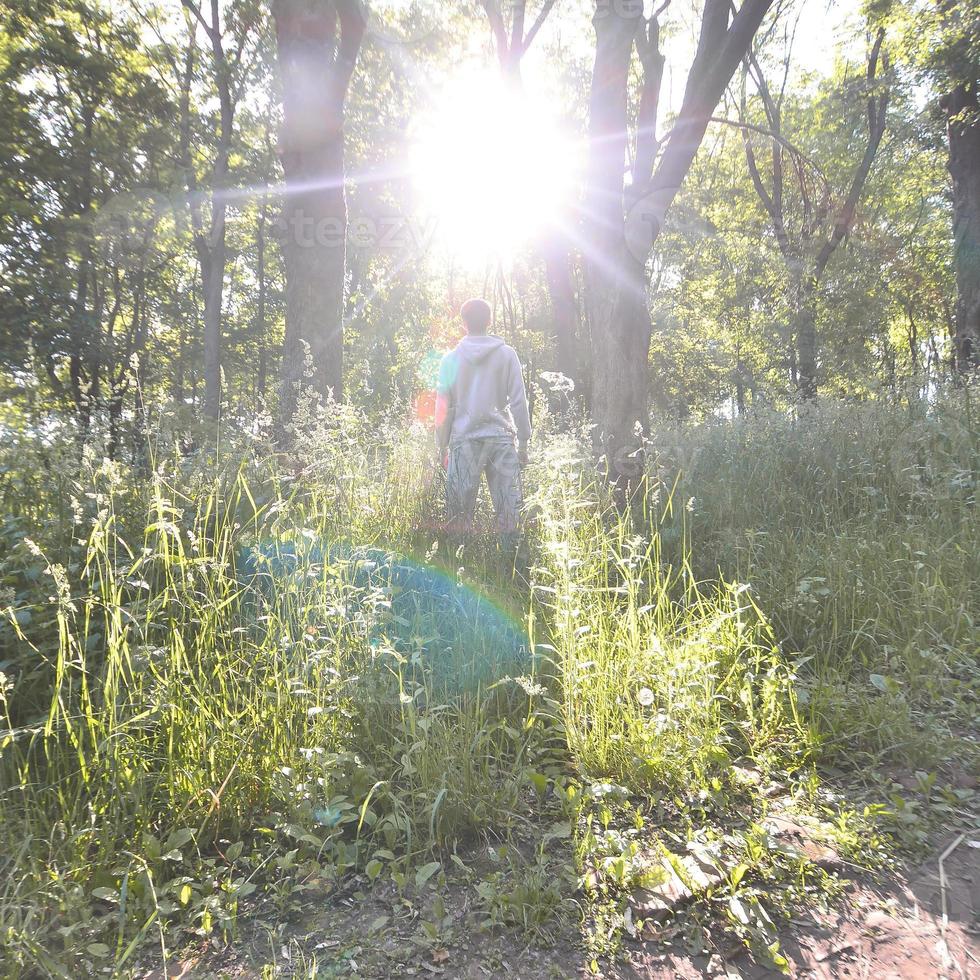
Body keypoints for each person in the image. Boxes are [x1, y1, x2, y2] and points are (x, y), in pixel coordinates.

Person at [435, 298, 531, 558]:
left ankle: (458, 569)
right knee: (509, 512)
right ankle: (514, 573)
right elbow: (519, 401)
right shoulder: (507, 354)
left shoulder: (450, 360)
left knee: (458, 515)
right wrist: (523, 442)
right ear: (490, 320)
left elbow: (443, 410)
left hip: (464, 441)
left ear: (464, 323)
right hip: (500, 440)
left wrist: (442, 446)